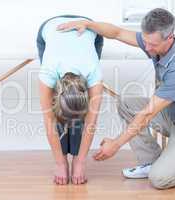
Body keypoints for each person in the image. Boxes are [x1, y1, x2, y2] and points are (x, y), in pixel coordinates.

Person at [57, 8, 175, 189]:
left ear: (170, 38)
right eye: (145, 41)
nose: (147, 47)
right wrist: (89, 24)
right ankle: (151, 161)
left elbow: (147, 114)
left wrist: (115, 144)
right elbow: (117, 32)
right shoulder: (153, 41)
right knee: (126, 102)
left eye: (152, 44)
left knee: (159, 179)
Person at [37, 15, 104, 185]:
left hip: (89, 26)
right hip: (50, 26)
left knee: (77, 119)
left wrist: (80, 162)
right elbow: (49, 121)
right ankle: (64, 158)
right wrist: (60, 163)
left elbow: (91, 122)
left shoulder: (93, 72)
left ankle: (75, 156)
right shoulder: (48, 73)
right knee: (59, 117)